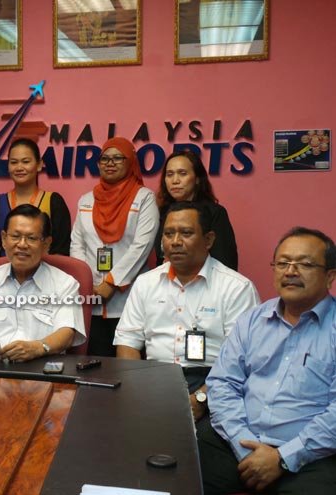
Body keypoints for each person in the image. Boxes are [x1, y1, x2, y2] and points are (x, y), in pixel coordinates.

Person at [198, 227, 336, 494]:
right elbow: (222, 384)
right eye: (283, 263)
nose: (291, 271)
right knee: (177, 476)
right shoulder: (253, 320)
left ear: (330, 276)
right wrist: (243, 444)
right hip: (238, 443)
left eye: (305, 264)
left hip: (312, 455)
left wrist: (283, 458)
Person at [114, 202, 259, 421]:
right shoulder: (145, 283)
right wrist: (138, 388)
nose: (175, 242)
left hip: (211, 382)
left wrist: (202, 398)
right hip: (153, 378)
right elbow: (127, 341)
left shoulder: (236, 288)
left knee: (200, 445)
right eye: (169, 234)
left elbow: (241, 360)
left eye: (186, 233)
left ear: (208, 240)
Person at [0, 205, 86, 362]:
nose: (22, 244)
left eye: (31, 238)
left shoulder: (65, 284)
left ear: (46, 244)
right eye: (15, 236)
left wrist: (38, 348)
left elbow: (67, 333)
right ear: (4, 239)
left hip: (41, 370)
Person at [70, 137, 159, 356]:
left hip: (128, 298)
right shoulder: (86, 200)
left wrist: (110, 283)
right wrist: (88, 283)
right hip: (92, 299)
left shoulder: (144, 198)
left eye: (118, 158)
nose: (110, 163)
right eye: (105, 159)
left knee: (127, 372)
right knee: (93, 366)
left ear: (131, 163)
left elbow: (141, 246)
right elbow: (77, 244)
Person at [0, 138, 71, 264]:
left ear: (39, 165)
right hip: (4, 277)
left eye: (26, 162)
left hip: (46, 276)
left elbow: (61, 251)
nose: (19, 167)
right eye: (14, 162)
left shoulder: (54, 202)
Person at [155, 150, 238, 270]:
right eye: (169, 174)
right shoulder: (164, 213)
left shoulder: (214, 213)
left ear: (197, 179)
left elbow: (226, 264)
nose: (175, 181)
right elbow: (161, 257)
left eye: (182, 173)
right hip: (166, 283)